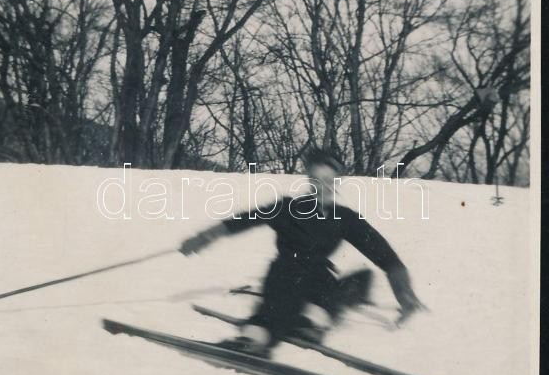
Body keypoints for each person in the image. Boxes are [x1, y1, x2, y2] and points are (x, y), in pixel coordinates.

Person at [180, 150, 423, 358]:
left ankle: (310, 324)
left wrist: (405, 295)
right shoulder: (288, 207)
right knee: (279, 300)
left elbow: (383, 254)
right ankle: (255, 339)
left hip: (319, 278)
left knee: (361, 278)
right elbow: (243, 220)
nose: (323, 186)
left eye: (329, 180)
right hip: (286, 272)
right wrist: (203, 238)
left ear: (337, 182)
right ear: (309, 180)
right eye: (317, 179)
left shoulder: (346, 218)